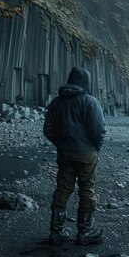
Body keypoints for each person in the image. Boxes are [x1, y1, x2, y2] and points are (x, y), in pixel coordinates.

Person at [43, 67, 106, 245]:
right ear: (87, 82)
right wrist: (95, 147)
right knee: (87, 189)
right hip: (87, 154)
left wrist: (62, 144)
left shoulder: (56, 103)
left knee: (63, 189)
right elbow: (98, 129)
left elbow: (47, 129)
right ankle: (85, 232)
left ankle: (56, 232)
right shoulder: (90, 102)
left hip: (65, 153)